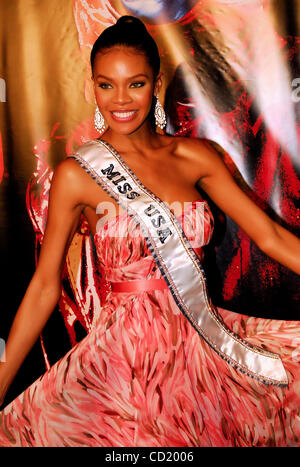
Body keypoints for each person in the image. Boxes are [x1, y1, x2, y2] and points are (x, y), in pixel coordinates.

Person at [0, 15, 299, 447]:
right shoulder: (76, 173)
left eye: (135, 84)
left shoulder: (195, 157)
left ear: (156, 84)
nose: (120, 99)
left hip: (201, 357)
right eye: (107, 85)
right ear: (93, 86)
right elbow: (45, 286)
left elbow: (270, 237)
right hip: (122, 367)